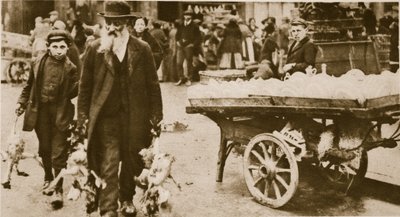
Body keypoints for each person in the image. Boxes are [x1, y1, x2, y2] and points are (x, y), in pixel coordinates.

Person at [77, 1, 163, 217]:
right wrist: (82, 117)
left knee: (132, 160)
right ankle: (108, 209)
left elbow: (153, 86)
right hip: (106, 117)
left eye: (117, 22)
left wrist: (156, 118)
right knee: (109, 161)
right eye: (109, 22)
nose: (113, 27)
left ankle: (126, 198)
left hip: (136, 116)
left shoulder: (142, 49)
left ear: (127, 23)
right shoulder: (95, 48)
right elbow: (85, 87)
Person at [16, 29, 79, 210]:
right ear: (48, 47)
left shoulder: (71, 68)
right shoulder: (37, 63)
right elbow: (28, 87)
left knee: (59, 151)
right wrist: (21, 103)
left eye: (62, 47)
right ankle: (48, 177)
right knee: (45, 148)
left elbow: (74, 93)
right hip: (40, 111)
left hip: (61, 113)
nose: (59, 50)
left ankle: (57, 188)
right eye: (55, 47)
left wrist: (80, 86)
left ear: (67, 48)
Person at [175, 8, 201, 86]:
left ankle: (189, 78)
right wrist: (177, 42)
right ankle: (181, 78)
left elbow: (198, 37)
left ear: (191, 16)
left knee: (189, 63)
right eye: (186, 15)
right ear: (184, 16)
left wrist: (193, 44)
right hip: (181, 46)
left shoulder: (195, 26)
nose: (187, 16)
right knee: (179, 63)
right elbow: (177, 35)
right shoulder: (181, 24)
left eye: (189, 15)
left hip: (189, 47)